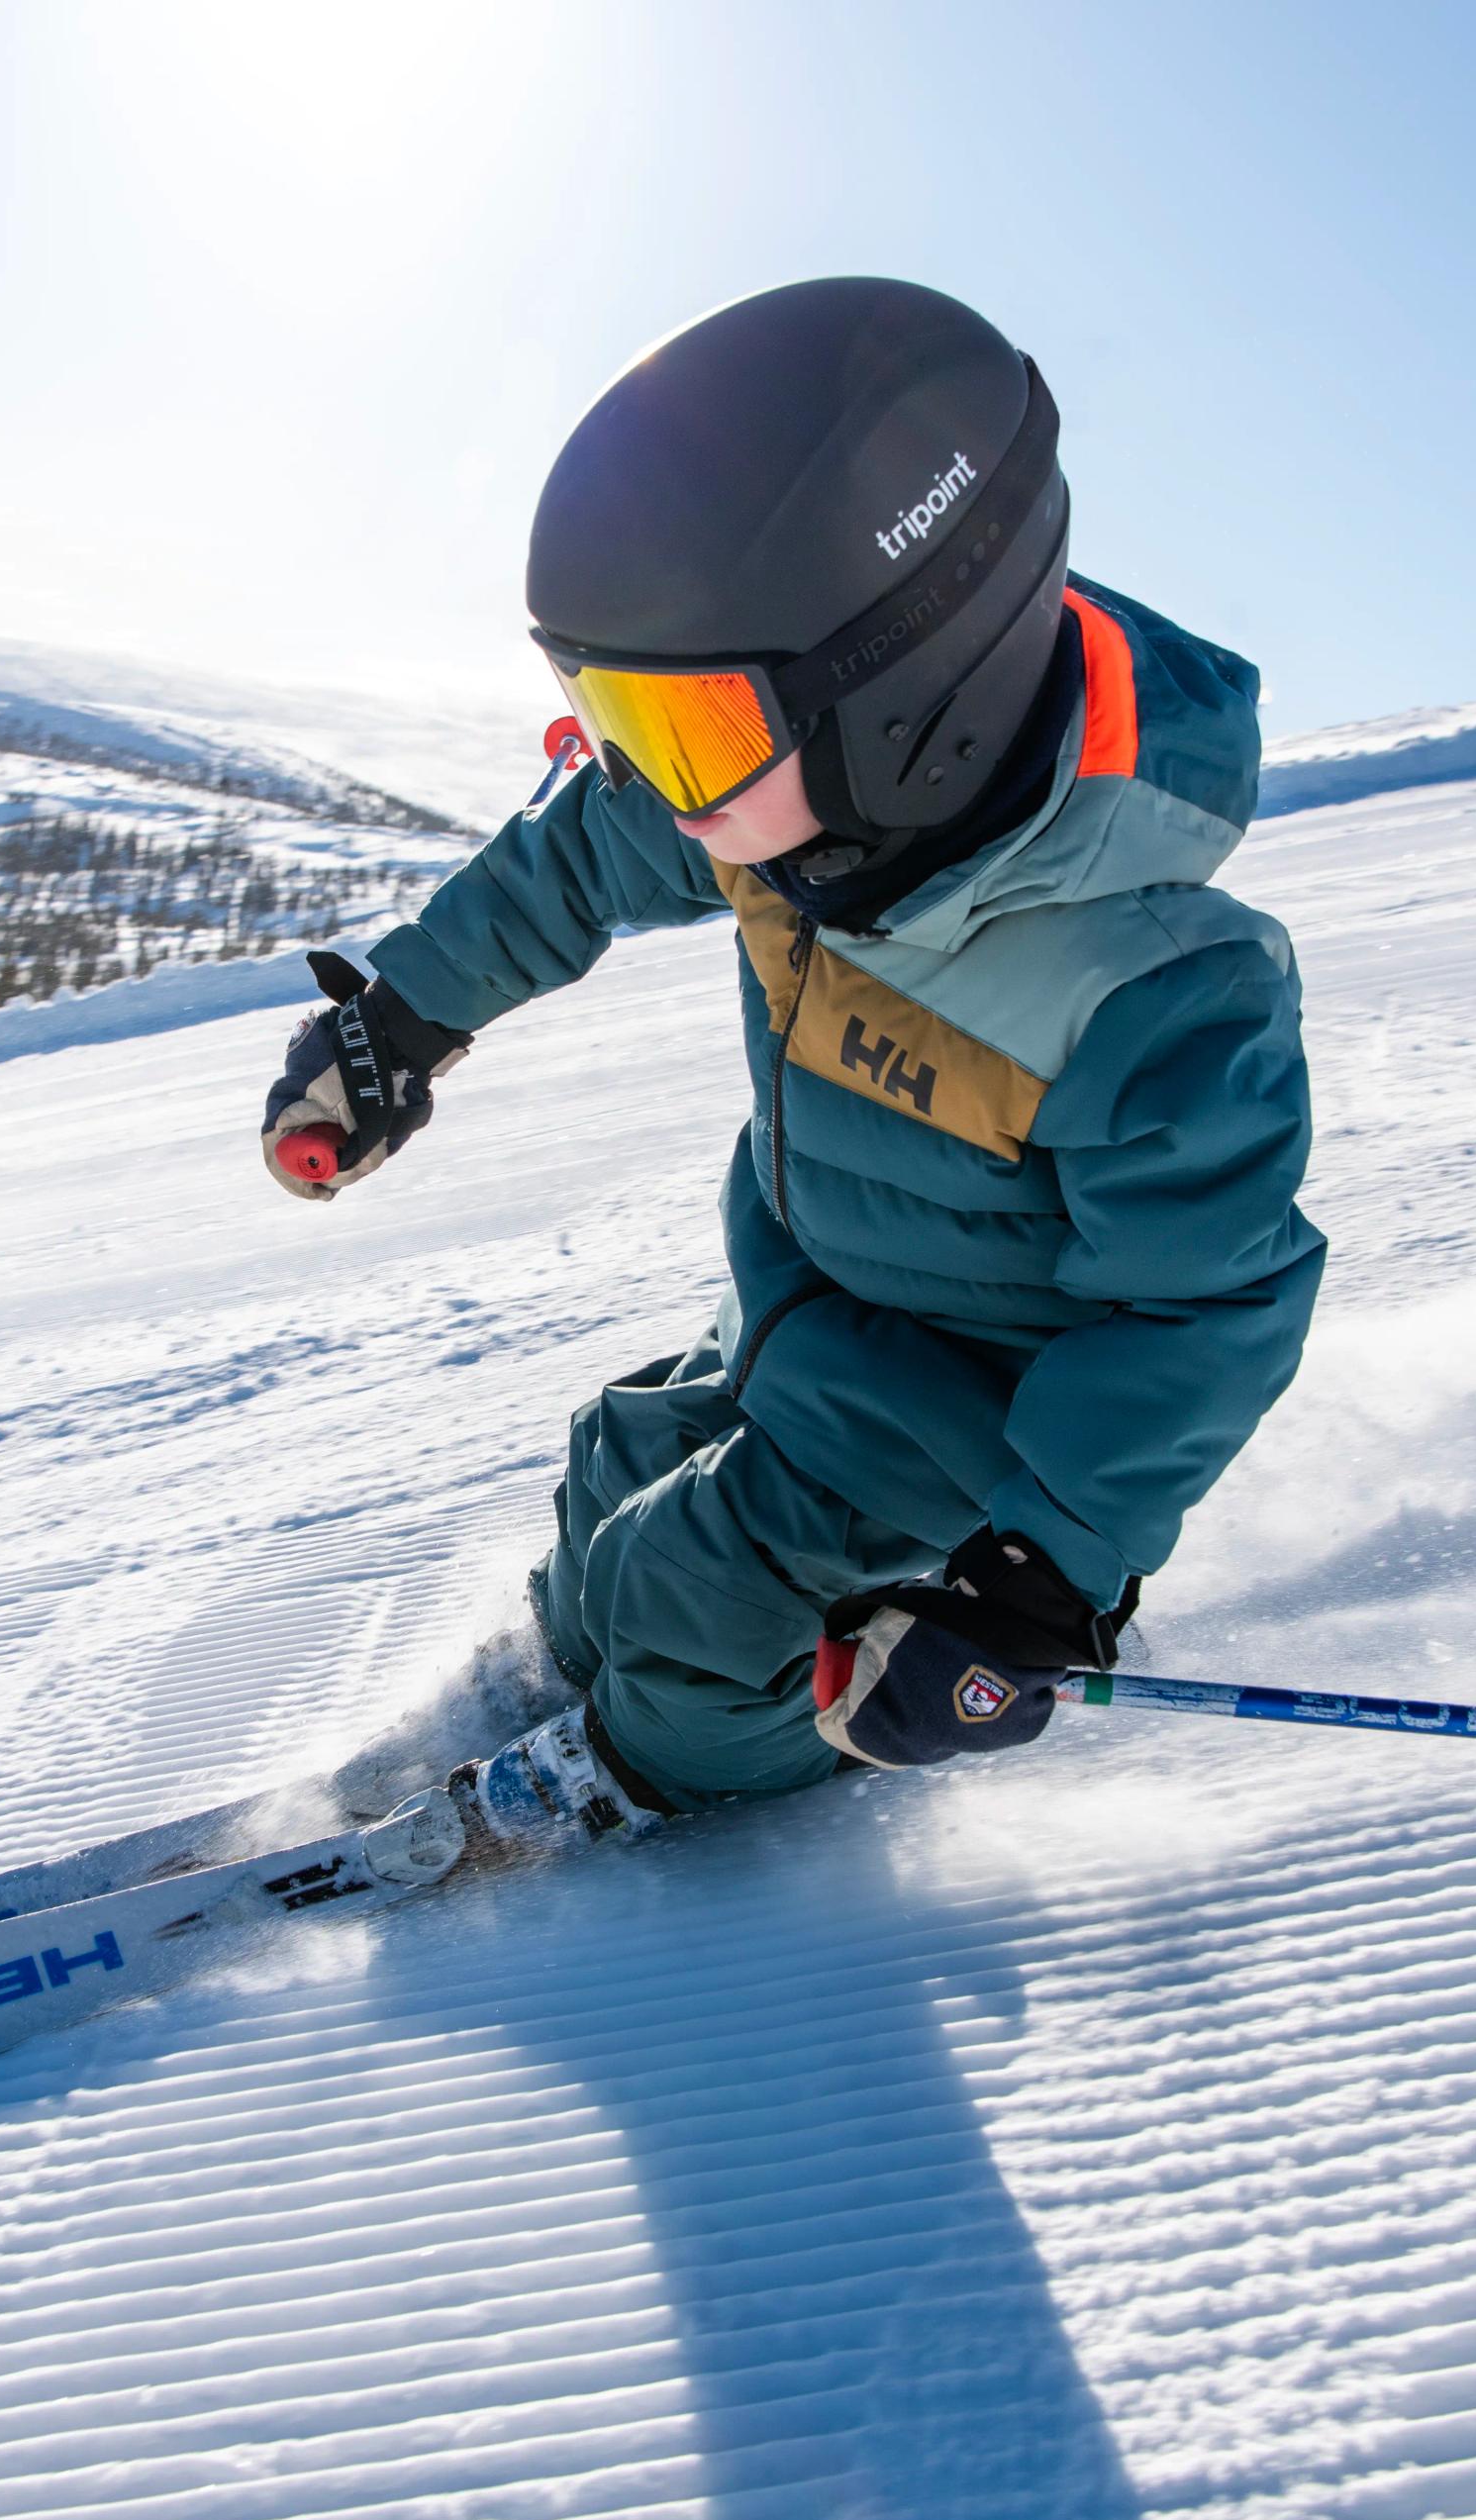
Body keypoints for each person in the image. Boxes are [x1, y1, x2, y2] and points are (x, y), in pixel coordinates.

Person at [261, 276, 1322, 1855]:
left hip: (983, 1415)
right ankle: (571, 1676)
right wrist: (402, 1021)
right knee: (614, 1463)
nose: (649, 788)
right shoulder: (787, 809)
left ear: (908, 712)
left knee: (694, 1596)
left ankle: (681, 1762)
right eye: (610, 718)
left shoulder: (1152, 988)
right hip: (806, 1306)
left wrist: (1040, 1581)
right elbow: (578, 861)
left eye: (674, 736)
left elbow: (1208, 1311)